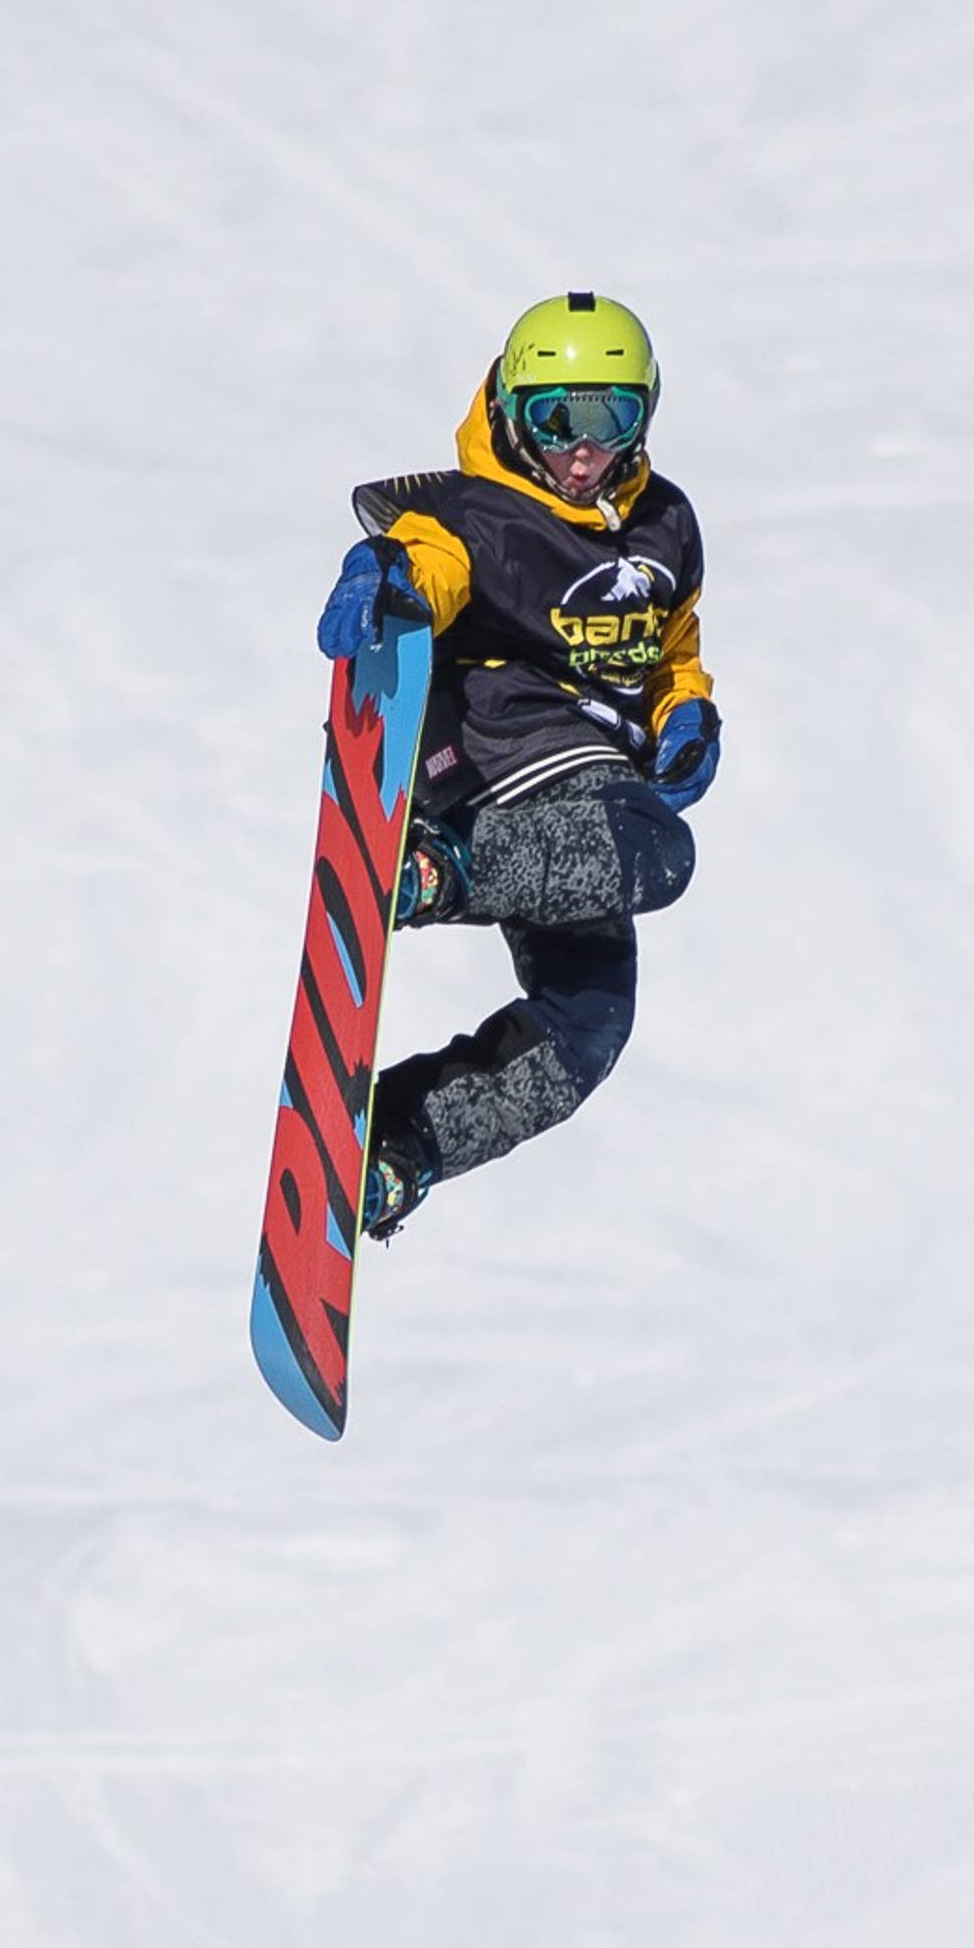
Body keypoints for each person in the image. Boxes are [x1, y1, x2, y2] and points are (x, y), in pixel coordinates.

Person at [314, 291, 721, 1239]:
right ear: (509, 409)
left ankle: (395, 1146)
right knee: (659, 852)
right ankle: (432, 868)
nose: (584, 453)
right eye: (557, 421)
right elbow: (432, 557)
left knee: (587, 1025)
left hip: (584, 797)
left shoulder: (664, 524)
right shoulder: (479, 515)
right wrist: (394, 576)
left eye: (611, 420)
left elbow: (674, 646)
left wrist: (686, 711)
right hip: (496, 754)